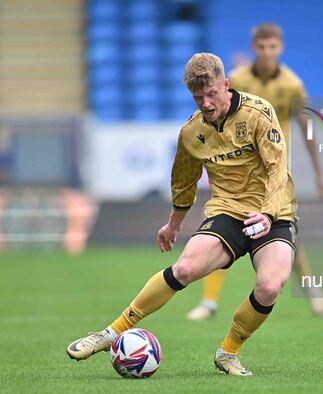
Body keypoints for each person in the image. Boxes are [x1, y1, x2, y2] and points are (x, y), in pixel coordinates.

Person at [66, 53, 298, 377]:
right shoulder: (191, 133)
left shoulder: (259, 114)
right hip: (228, 210)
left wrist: (269, 213)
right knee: (185, 267)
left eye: (211, 94)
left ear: (226, 86)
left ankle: (228, 352)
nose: (205, 102)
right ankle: (110, 333)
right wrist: (173, 225)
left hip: (274, 210)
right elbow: (184, 182)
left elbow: (277, 169)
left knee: (270, 286)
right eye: (197, 97)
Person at [186, 23, 323, 321]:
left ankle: (308, 284)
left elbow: (306, 129)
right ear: (255, 48)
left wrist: (318, 172)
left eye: (272, 47)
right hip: (237, 172)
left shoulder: (292, 84)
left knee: (282, 233)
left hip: (274, 172)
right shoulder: (238, 79)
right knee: (219, 227)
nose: (267, 52)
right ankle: (209, 302)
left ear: (280, 48)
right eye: (262, 47)